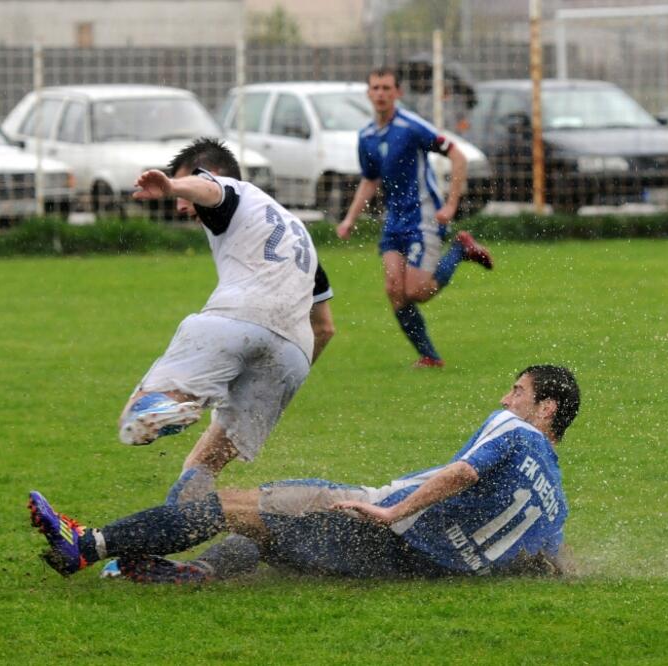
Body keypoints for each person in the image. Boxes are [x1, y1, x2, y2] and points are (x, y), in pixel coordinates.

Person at [29, 365, 581, 582]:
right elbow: (544, 562)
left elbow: (460, 473)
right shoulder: (555, 501)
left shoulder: (516, 429)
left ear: (546, 408)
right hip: (410, 572)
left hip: (380, 526)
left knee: (229, 506)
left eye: (517, 390)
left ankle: (88, 545)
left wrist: (390, 511)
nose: (505, 398)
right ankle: (197, 573)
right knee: (269, 535)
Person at [117, 138, 333, 508]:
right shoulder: (297, 233)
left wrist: (172, 185)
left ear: (209, 174)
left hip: (237, 317)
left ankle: (166, 407)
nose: (180, 205)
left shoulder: (230, 189)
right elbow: (325, 328)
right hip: (294, 355)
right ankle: (177, 536)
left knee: (134, 419)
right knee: (201, 467)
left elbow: (209, 189)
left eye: (183, 191)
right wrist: (279, 377)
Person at [337, 67, 493, 368]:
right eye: (375, 88)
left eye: (386, 88)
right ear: (368, 93)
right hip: (394, 220)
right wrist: (349, 220)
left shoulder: (411, 127)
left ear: (398, 93)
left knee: (416, 291)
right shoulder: (366, 136)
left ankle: (460, 249)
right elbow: (370, 180)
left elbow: (457, 155)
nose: (381, 94)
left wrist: (451, 204)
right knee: (394, 289)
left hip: (424, 215)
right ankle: (430, 357)